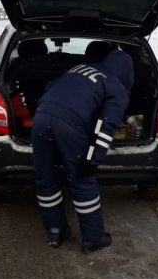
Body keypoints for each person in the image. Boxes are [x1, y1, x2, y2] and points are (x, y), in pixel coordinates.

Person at [31, 48, 134, 254]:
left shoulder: (80, 68)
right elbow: (106, 127)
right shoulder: (116, 87)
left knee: (46, 178)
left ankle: (56, 231)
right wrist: (93, 160)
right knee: (81, 179)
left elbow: (51, 86)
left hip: (41, 117)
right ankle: (93, 238)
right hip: (69, 125)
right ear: (126, 76)